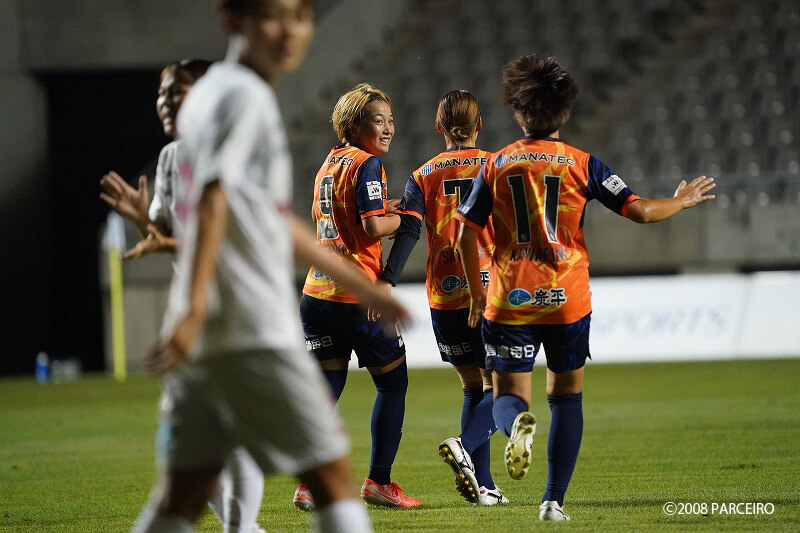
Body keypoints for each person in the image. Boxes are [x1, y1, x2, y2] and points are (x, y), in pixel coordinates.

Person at [130, 1, 408, 531]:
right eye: (272, 16)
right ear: (232, 19)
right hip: (250, 330)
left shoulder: (207, 95)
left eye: (300, 16)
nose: (290, 31)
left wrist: (369, 289)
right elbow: (212, 200)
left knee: (180, 498)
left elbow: (268, 220)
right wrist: (194, 309)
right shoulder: (245, 97)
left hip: (213, 334)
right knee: (334, 483)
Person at [455, 53, 716, 522]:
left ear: (518, 112)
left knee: (507, 396)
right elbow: (640, 211)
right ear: (566, 112)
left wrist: (477, 294)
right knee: (566, 397)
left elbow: (464, 233)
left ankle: (517, 427)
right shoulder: (583, 164)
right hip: (567, 300)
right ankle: (552, 502)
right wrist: (680, 201)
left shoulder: (496, 164)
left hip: (510, 299)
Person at [101, 58, 270, 533]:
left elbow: (229, 241)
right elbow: (163, 235)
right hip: (191, 311)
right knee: (186, 434)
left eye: (178, 91)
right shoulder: (171, 158)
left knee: (232, 430)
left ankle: (243, 527)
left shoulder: (235, 152)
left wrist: (164, 241)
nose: (166, 101)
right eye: (163, 93)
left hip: (237, 309)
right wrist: (142, 218)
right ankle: (244, 529)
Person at [297, 83, 422, 510]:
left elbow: (335, 217)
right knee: (392, 383)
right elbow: (371, 227)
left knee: (328, 386)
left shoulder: (329, 163)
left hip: (317, 295)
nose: (388, 128)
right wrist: (404, 216)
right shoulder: (368, 164)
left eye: (391, 120)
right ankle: (379, 482)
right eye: (378, 120)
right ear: (353, 126)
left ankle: (308, 484)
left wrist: (382, 207)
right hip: (357, 298)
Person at [380, 90, 504, 505]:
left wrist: (388, 280)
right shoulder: (496, 165)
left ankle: (484, 485)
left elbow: (409, 231)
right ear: (479, 125)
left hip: (444, 294)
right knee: (503, 387)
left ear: (439, 127)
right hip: (491, 292)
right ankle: (464, 446)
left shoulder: (422, 176)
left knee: (472, 386)